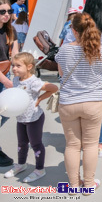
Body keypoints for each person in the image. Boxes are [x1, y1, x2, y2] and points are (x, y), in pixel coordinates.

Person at [55, 12, 102, 193]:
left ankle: (73, 184)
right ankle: (88, 184)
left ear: (73, 30)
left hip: (69, 102)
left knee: (72, 145)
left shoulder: (63, 50)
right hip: (93, 101)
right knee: (90, 145)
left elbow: (62, 74)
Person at [64, 0, 102, 157]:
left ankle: (80, 142)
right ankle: (100, 142)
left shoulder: (78, 23)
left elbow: (67, 43)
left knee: (80, 102)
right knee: (100, 106)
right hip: (100, 70)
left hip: (78, 70)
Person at [3, 52, 57, 182]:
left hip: (34, 119)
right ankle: (21, 164)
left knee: (36, 144)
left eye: (18, 66)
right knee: (21, 143)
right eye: (13, 65)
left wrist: (39, 99)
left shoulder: (34, 81)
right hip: (21, 118)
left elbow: (53, 88)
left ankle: (39, 169)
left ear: (29, 67)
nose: (14, 68)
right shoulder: (16, 79)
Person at [0, 0, 19, 167]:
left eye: (9, 11)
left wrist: (20, 67)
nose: (7, 15)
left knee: (6, 113)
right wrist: (6, 81)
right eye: (2, 12)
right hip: (2, 78)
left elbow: (15, 56)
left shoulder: (11, 31)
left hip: (5, 76)